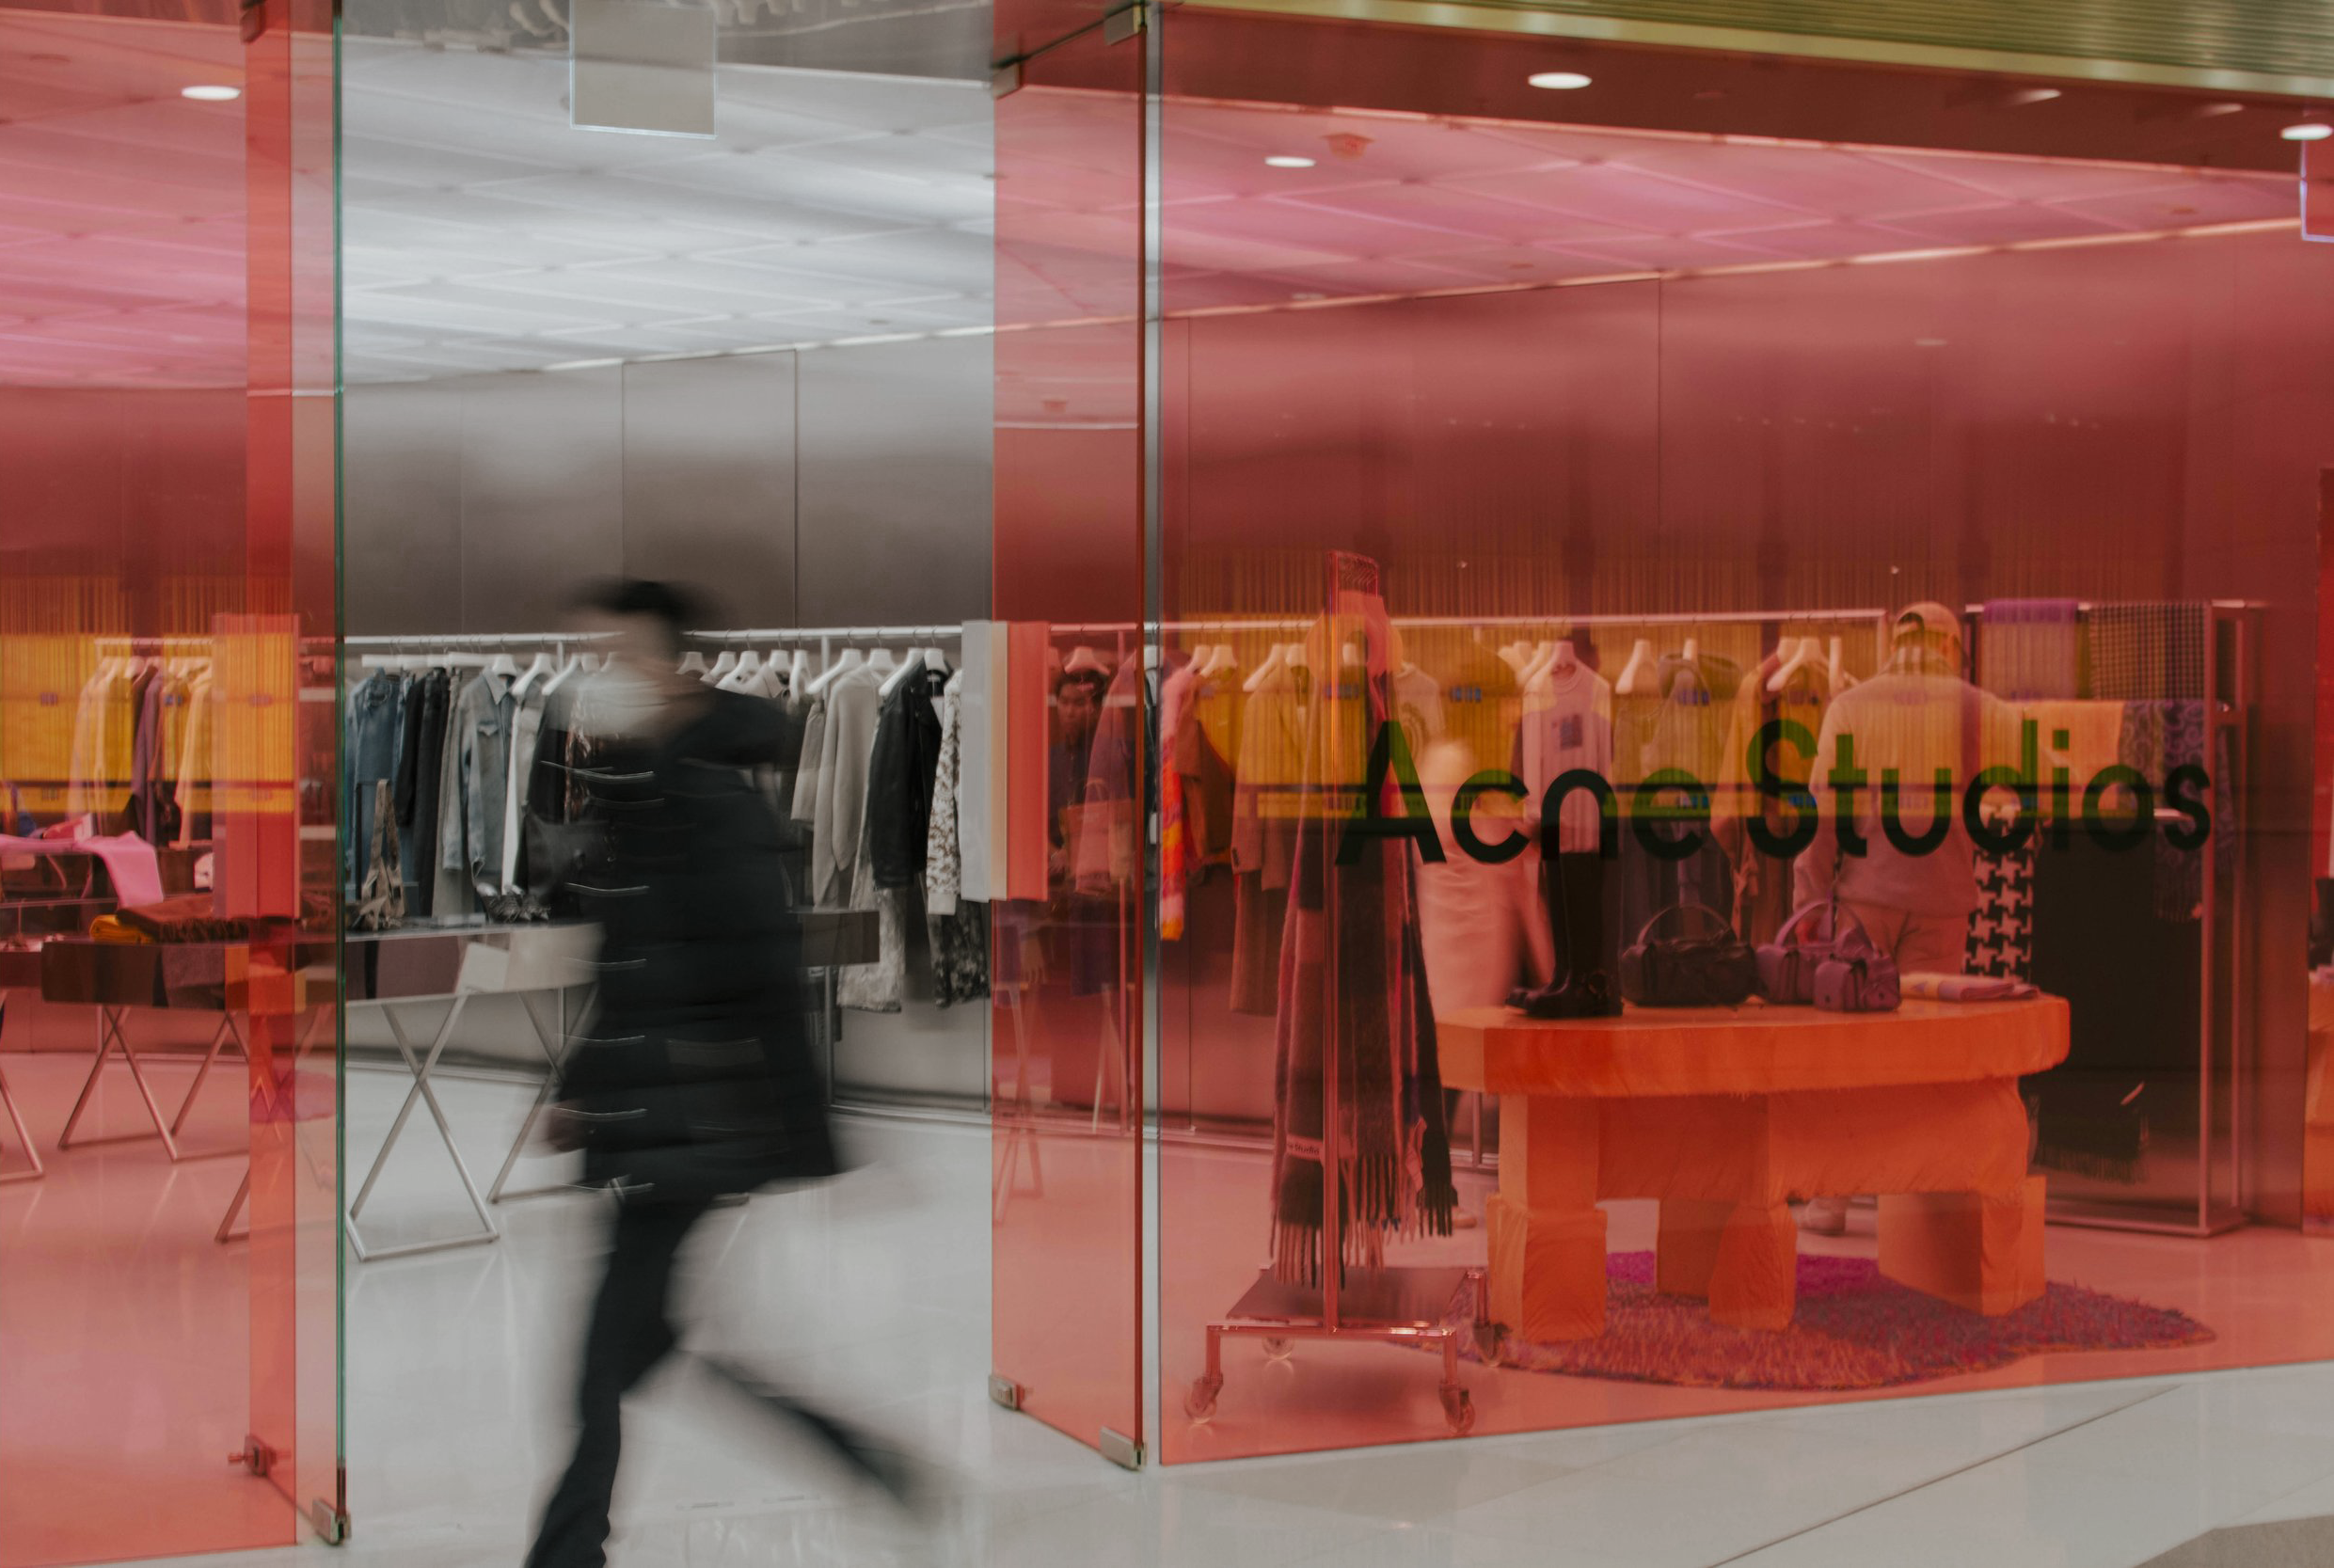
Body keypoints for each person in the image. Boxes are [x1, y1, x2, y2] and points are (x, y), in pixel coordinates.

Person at [527, 579, 915, 1568]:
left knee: (603, 1359)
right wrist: (580, 1080)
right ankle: (854, 1449)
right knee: (644, 1344)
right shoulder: (643, 791)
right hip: (651, 1105)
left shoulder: (708, 802)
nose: (594, 681)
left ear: (663, 666)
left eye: (611, 658)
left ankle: (567, 1552)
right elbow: (629, 963)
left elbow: (764, 972)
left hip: (691, 1117)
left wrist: (817, 1139)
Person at [1791, 601, 2024, 1237]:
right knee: (1927, 1060)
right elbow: (2035, 782)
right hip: (1943, 899)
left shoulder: (1851, 706)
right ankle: (1917, 1202)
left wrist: (1808, 903)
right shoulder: (1981, 708)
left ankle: (1831, 1197)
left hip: (1862, 900)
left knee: (1846, 1054)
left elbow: (1821, 816)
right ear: (1952, 645)